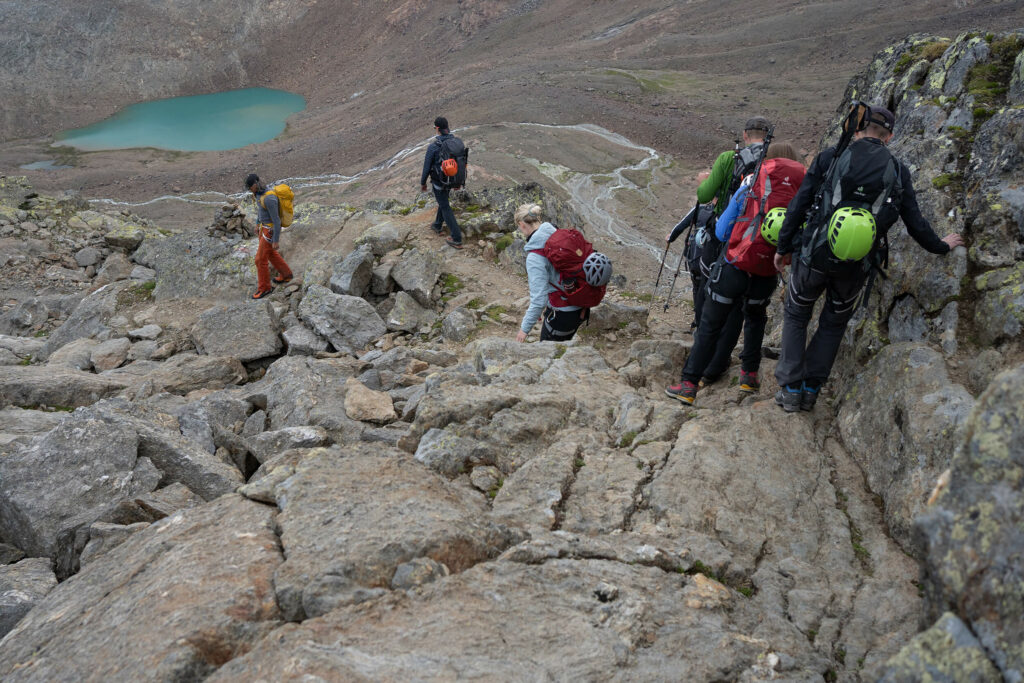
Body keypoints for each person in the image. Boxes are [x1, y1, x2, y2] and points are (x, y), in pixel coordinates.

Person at [772, 106, 964, 412]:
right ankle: (810, 389)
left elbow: (799, 205)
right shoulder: (897, 170)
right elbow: (915, 222)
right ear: (889, 136)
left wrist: (783, 248)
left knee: (797, 314)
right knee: (833, 325)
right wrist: (941, 246)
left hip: (814, 257)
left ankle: (791, 389)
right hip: (856, 266)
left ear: (858, 127)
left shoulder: (830, 158)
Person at [666, 143, 806, 405]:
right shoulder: (802, 190)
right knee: (755, 318)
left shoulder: (754, 181)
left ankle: (688, 385)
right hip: (767, 271)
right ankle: (748, 377)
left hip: (735, 267)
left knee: (710, 325)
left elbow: (721, 231)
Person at [685, 115, 773, 382]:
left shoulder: (729, 159)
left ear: (745, 135)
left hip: (727, 240)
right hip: (761, 244)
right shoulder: (775, 163)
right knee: (741, 309)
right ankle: (723, 365)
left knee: (710, 300)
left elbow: (703, 196)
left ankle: (699, 370)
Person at [514, 204, 588, 342]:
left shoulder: (535, 257)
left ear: (522, 224)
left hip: (562, 313)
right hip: (581, 305)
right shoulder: (558, 234)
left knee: (552, 354)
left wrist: (524, 330)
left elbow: (538, 300)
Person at [245, 173, 293, 300]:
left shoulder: (269, 198)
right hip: (263, 228)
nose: (249, 190)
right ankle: (286, 275)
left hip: (269, 231)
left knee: (260, 260)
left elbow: (276, 221)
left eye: (250, 187)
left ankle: (265, 288)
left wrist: (276, 240)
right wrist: (257, 224)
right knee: (270, 254)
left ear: (255, 185)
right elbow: (261, 212)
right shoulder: (259, 195)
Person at [420, 116, 463, 249]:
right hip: (452, 179)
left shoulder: (433, 146)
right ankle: (437, 225)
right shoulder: (456, 143)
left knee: (445, 206)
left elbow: (427, 167)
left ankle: (456, 238)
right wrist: (458, 182)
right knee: (443, 201)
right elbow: (461, 162)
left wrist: (423, 183)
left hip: (439, 181)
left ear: (437, 129)